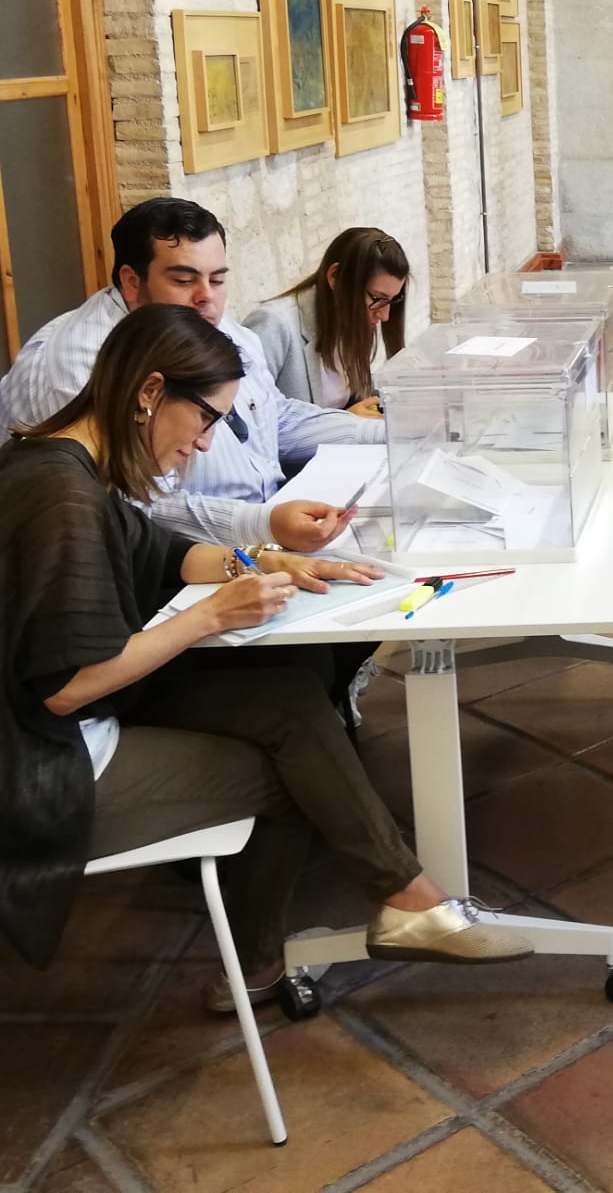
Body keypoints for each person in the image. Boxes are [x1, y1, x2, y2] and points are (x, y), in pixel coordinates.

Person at [0, 304, 541, 1010]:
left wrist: (263, 557)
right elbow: (66, 687)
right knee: (292, 770)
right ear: (149, 392)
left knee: (290, 696)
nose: (201, 445)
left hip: (85, 710)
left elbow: (160, 552)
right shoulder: (60, 497)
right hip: (49, 762)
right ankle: (292, 949)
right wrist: (209, 617)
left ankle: (399, 903)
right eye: (205, 420)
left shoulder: (65, 461)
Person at [0, 198, 380, 555]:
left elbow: (274, 418)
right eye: (184, 281)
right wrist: (263, 524)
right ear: (132, 282)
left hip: (257, 536)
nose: (206, 298)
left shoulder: (215, 328)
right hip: (158, 565)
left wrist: (385, 431)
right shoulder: (83, 364)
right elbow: (133, 510)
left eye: (217, 280)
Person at [244, 227, 409, 413]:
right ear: (335, 277)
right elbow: (251, 424)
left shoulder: (351, 324)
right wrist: (343, 421)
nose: (385, 316)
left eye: (392, 301)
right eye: (377, 298)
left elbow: (357, 401)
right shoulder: (274, 324)